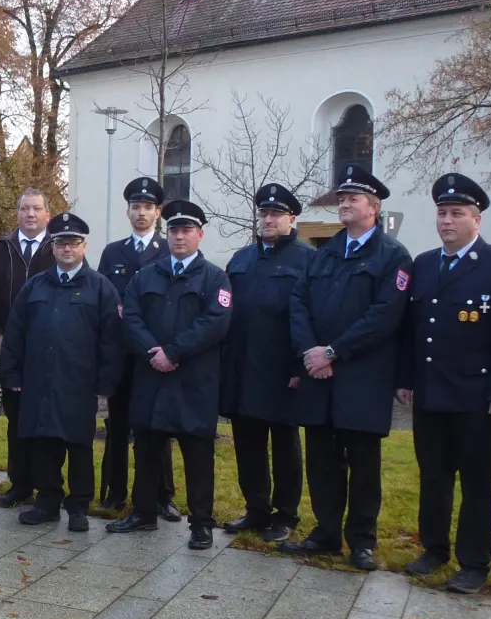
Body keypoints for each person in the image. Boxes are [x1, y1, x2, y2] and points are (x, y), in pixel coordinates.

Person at [393, 173, 491, 595]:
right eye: (442, 213)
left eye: (457, 213)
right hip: (431, 393)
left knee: (476, 482)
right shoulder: (424, 264)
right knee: (433, 476)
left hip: (476, 397)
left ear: (477, 219)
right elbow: (412, 329)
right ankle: (434, 548)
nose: (447, 221)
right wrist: (406, 378)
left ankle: (474, 561)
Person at [281, 165, 412, 571]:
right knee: (322, 458)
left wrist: (334, 352)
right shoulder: (325, 252)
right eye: (341, 198)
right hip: (319, 375)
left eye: (352, 199)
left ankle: (361, 540)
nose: (344, 204)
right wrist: (310, 353)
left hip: (361, 376)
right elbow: (298, 304)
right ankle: (326, 532)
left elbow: (385, 315)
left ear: (374, 207)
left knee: (362, 462)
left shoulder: (393, 256)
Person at [106, 200, 232, 551]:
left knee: (197, 454)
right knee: (146, 448)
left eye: (187, 230)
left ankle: (201, 524)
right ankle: (143, 513)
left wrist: (173, 352)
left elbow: (216, 322)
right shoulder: (147, 275)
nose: (179, 236)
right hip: (152, 376)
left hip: (193, 380)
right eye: (174, 230)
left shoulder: (215, 277)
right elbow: (129, 317)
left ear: (200, 235)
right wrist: (154, 352)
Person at [0, 212, 123, 532]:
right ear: (52, 248)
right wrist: (11, 373)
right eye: (60, 243)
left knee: (79, 446)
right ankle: (48, 502)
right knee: (44, 445)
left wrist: (107, 382)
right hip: (39, 381)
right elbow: (15, 332)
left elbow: (112, 340)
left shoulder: (101, 288)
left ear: (83, 246)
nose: (67, 249)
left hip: (79, 384)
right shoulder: (35, 286)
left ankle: (80, 506)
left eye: (73, 243)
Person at [219, 183, 313, 544]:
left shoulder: (307, 259)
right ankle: (256, 508)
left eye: (276, 214)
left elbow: (310, 317)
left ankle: (286, 514)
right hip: (243, 366)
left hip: (282, 369)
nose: (268, 220)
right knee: (248, 442)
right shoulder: (242, 258)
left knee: (285, 444)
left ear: (292, 218)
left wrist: (299, 367)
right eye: (264, 214)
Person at [95, 176, 178, 518]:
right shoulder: (113, 252)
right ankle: (114, 491)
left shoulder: (168, 251)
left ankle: (162, 496)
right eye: (135, 207)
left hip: (155, 355)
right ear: (128, 212)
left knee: (157, 426)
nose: (141, 213)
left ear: (158, 213)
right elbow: (103, 302)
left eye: (148, 207)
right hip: (122, 355)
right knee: (116, 425)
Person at [0, 187, 56, 506]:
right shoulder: (1, 250)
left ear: (47, 214)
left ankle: (48, 487)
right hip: (10, 354)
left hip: (48, 355)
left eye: (37, 208)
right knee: (17, 419)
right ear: (18, 214)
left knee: (46, 420)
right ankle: (19, 483)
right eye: (25, 209)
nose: (31, 214)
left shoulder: (59, 248)